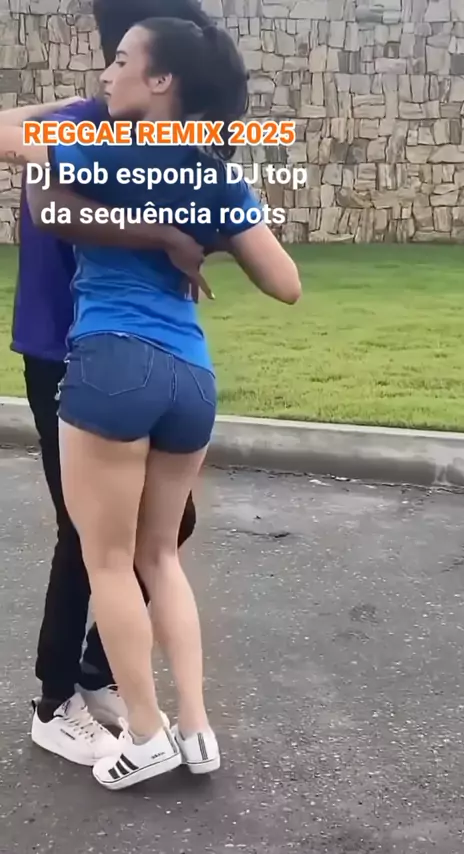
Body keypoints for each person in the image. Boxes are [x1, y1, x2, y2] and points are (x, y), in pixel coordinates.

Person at [2, 16, 301, 789]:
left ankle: (144, 734)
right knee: (161, 556)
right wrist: (205, 232)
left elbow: (27, 170)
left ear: (160, 79)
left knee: (105, 559)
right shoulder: (215, 174)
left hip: (110, 365)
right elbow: (286, 284)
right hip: (191, 378)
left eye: (121, 60)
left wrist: (64, 120)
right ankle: (195, 730)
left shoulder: (98, 146)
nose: (108, 74)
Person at [11, 0, 213, 767]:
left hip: (134, 353)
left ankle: (101, 665)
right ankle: (55, 700)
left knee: (165, 527)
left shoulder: (165, 140)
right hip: (63, 348)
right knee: (86, 533)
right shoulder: (75, 126)